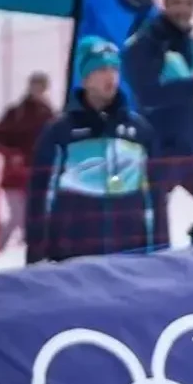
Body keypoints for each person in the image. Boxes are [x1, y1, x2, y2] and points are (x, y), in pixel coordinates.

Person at [24, 36, 167, 264]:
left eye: (114, 68)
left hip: (130, 255)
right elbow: (40, 198)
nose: (110, 76)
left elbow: (155, 197)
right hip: (74, 258)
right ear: (85, 77)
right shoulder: (59, 132)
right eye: (101, 69)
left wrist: (161, 252)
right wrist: (36, 257)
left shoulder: (140, 131)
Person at [120, 0, 193, 212]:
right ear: (165, 3)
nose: (182, 9)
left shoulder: (191, 43)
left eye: (188, 3)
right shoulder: (146, 41)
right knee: (153, 220)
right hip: (162, 151)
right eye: (177, 2)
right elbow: (147, 95)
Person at [0, 72, 57, 253]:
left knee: (33, 219)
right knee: (17, 218)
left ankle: (28, 256)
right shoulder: (16, 112)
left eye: (42, 86)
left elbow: (55, 140)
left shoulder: (48, 113)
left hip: (38, 175)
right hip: (14, 176)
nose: (38, 90)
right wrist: (12, 155)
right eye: (35, 85)